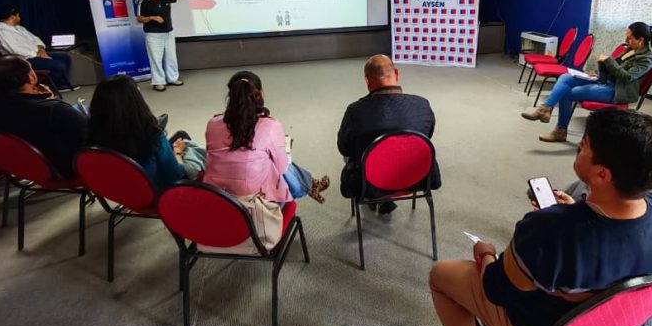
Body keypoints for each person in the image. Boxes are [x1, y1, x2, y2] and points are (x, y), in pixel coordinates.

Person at [429, 108, 652, 326]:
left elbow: (495, 289)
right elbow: (618, 249)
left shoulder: (549, 230)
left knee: (441, 275)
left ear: (601, 173)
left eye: (585, 144)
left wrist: (486, 253)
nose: (579, 146)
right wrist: (576, 211)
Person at [522, 22, 652, 143]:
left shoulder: (647, 59)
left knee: (567, 93)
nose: (626, 39)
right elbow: (613, 69)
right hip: (606, 82)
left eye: (629, 38)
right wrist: (599, 70)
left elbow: (626, 77)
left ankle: (560, 130)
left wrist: (608, 60)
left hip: (617, 91)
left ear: (641, 40)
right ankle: (545, 109)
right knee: (565, 77)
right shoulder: (629, 49)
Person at [204, 70, 329, 205]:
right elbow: (282, 168)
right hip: (257, 210)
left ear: (231, 96)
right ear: (261, 93)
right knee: (277, 164)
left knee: (264, 160)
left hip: (217, 201)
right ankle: (309, 185)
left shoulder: (213, 124)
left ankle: (310, 184)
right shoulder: (270, 126)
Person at [337, 54, 440, 214]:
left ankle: (379, 197)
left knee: (354, 151)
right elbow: (428, 136)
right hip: (418, 178)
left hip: (370, 182)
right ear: (396, 74)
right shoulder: (422, 105)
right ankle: (385, 198)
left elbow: (344, 148)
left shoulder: (355, 112)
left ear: (367, 82)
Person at [0, 55, 87, 178]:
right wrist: (52, 103)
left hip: (21, 168)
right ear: (31, 78)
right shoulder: (54, 110)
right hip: (65, 170)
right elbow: (87, 136)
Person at [86, 75, 203, 189]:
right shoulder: (151, 136)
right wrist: (177, 152)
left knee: (180, 135)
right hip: (159, 194)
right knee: (195, 151)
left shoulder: (94, 136)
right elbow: (175, 175)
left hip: (124, 192)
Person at [137, 0, 206, 92]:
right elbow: (139, 19)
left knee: (171, 57)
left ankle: (172, 78)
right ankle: (158, 82)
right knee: (156, 59)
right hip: (153, 36)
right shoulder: (144, 3)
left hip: (168, 33)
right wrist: (152, 18)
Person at [0, 6, 78, 93]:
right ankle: (48, 87)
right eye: (18, 16)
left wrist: (41, 49)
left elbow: (35, 39)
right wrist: (37, 54)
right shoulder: (1, 32)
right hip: (24, 60)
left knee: (65, 57)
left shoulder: (19, 28)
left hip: (36, 54)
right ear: (12, 17)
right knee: (58, 64)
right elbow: (15, 51)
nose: (19, 18)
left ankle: (61, 84)